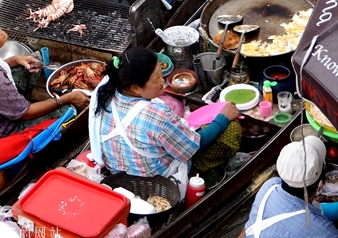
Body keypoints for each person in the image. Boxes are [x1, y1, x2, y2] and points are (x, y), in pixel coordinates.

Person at [89, 48, 240, 192]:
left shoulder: (105, 93)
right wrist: (223, 118)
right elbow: (195, 146)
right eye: (157, 79)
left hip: (119, 173)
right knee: (232, 128)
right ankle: (201, 175)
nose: (162, 80)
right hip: (156, 183)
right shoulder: (157, 116)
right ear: (135, 88)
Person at [0, 13, 90, 145]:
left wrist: (16, 59)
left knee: (34, 61)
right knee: (69, 111)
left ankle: (17, 104)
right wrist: (66, 98)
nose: (1, 31)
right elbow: (27, 114)